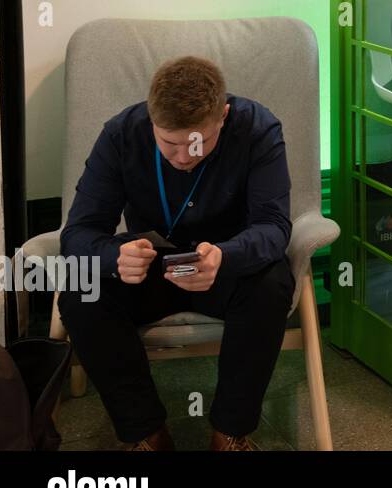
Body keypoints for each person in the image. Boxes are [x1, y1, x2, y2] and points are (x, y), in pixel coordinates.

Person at [58, 56, 293, 450]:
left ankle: (230, 432)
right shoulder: (120, 135)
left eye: (197, 142)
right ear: (151, 120)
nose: (183, 157)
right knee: (83, 291)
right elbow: (78, 234)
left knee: (271, 282)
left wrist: (225, 256)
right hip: (150, 267)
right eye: (169, 143)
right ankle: (146, 435)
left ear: (224, 117)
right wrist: (114, 257)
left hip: (224, 266)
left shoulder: (257, 128)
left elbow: (274, 226)